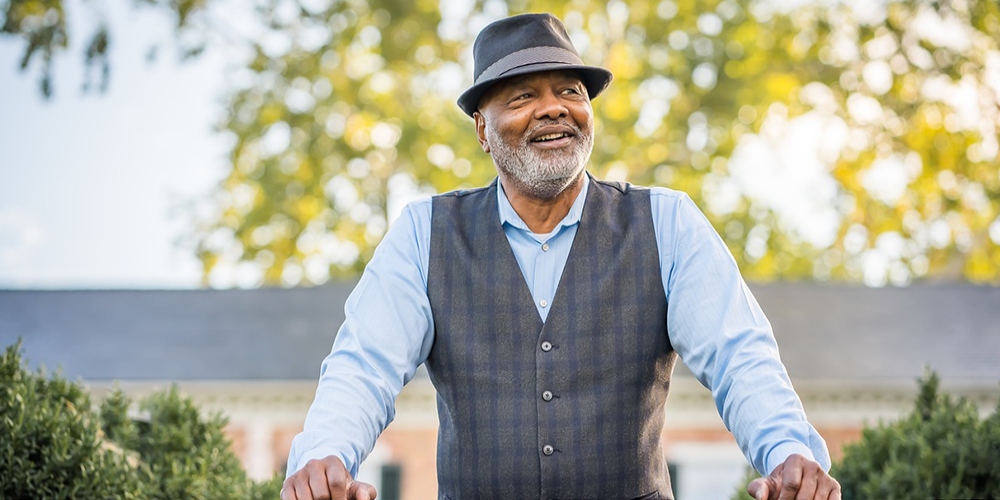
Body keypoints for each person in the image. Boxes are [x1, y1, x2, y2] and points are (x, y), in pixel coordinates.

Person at [282, 12, 840, 500]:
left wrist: (787, 451)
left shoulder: (667, 223)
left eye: (569, 91)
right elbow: (363, 366)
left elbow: (740, 356)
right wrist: (324, 456)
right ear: (481, 128)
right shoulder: (424, 234)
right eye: (523, 96)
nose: (553, 109)